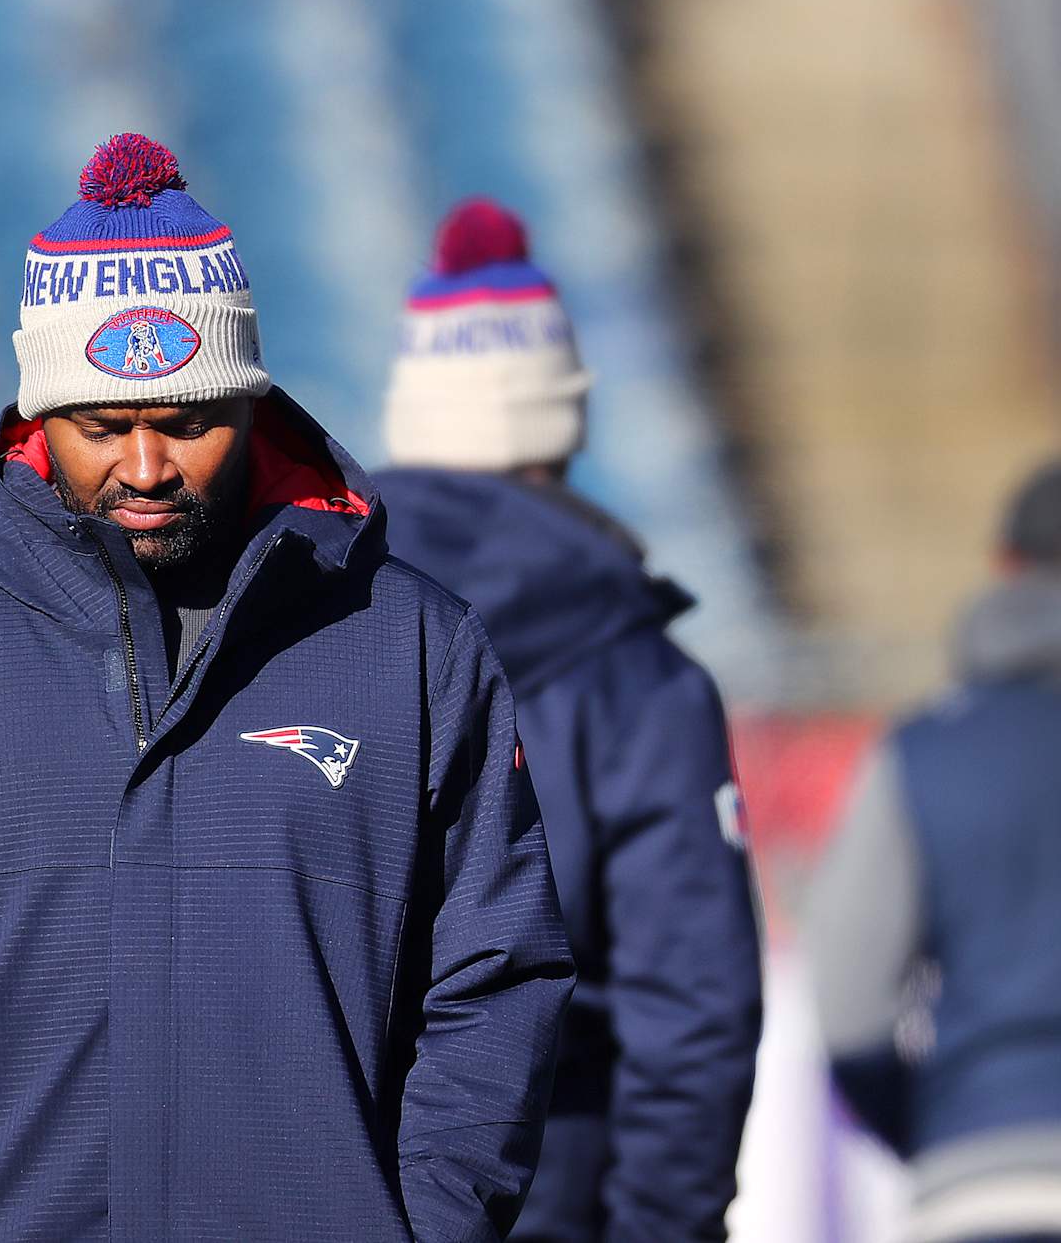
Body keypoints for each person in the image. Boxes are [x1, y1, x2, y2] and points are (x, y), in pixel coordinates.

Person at [0, 135, 574, 1242]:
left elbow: (499, 976)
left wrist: (424, 1224)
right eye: (103, 425)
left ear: (252, 404)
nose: (147, 467)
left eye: (186, 422)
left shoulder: (409, 643)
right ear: (38, 414)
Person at [373, 200, 763, 1242]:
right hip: (554, 1176)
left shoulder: (294, 621)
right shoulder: (639, 672)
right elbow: (692, 1010)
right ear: (561, 416)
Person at [806, 459, 1061, 1243]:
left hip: (979, 1174)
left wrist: (933, 1127)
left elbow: (850, 1007)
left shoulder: (920, 754)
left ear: (1003, 568)